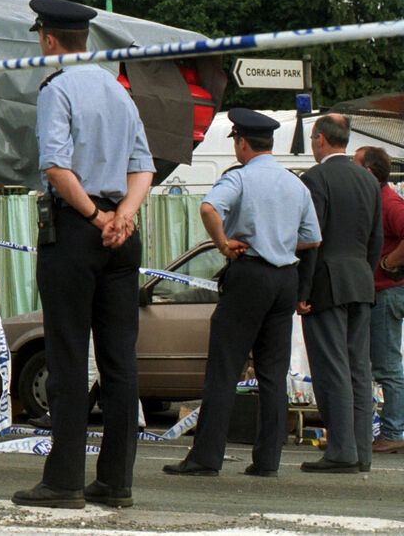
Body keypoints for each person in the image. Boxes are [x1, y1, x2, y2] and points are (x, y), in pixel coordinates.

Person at [11, 0, 153, 511]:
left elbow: (55, 166)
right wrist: (123, 216)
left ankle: (64, 480)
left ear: (48, 39)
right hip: (123, 233)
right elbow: (143, 166)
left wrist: (94, 217)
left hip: (76, 229)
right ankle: (116, 480)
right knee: (120, 361)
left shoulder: (57, 88)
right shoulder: (120, 92)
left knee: (69, 356)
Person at [164, 109, 321, 479]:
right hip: (285, 280)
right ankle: (267, 460)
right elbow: (313, 238)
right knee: (273, 373)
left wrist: (223, 243)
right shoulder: (295, 183)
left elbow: (208, 208)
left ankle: (205, 457)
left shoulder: (240, 178)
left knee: (224, 369)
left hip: (248, 274)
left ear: (242, 143)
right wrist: (281, 241)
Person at [295, 114, 383, 472]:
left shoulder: (315, 179)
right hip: (361, 280)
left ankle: (341, 451)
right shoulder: (368, 179)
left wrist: (303, 288)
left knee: (332, 370)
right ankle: (362, 451)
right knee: (359, 370)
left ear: (319, 140)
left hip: (325, 283)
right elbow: (375, 240)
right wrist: (364, 271)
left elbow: (311, 239)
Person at [353, 146, 404, 454]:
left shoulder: (390, 203)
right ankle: (392, 428)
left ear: (369, 172)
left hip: (387, 293)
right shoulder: (378, 200)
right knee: (383, 365)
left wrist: (388, 263)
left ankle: (394, 430)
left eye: (355, 165)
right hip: (379, 292)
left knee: (387, 366)